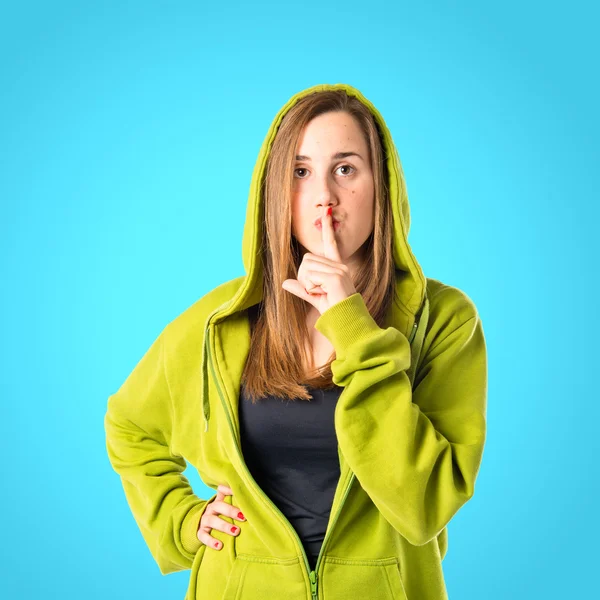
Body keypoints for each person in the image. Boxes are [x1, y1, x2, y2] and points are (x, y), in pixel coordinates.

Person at [104, 82, 488, 600]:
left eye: (346, 169)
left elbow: (424, 505)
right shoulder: (224, 318)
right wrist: (181, 520)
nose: (324, 196)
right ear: (276, 190)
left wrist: (350, 324)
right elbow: (129, 426)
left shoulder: (442, 319)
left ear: (383, 186)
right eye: (301, 172)